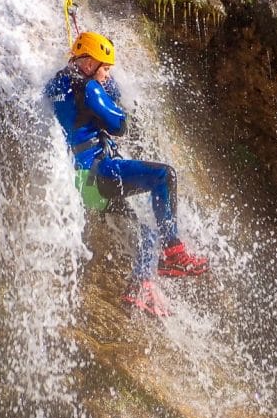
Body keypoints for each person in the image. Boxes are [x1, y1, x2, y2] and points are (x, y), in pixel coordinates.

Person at [45, 31, 208, 316]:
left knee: (145, 231)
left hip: (82, 184)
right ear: (88, 64)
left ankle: (140, 286)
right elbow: (120, 124)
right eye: (105, 68)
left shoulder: (56, 82)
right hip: (100, 173)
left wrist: (95, 76)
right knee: (165, 176)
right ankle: (173, 252)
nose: (107, 74)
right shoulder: (92, 89)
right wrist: (108, 91)